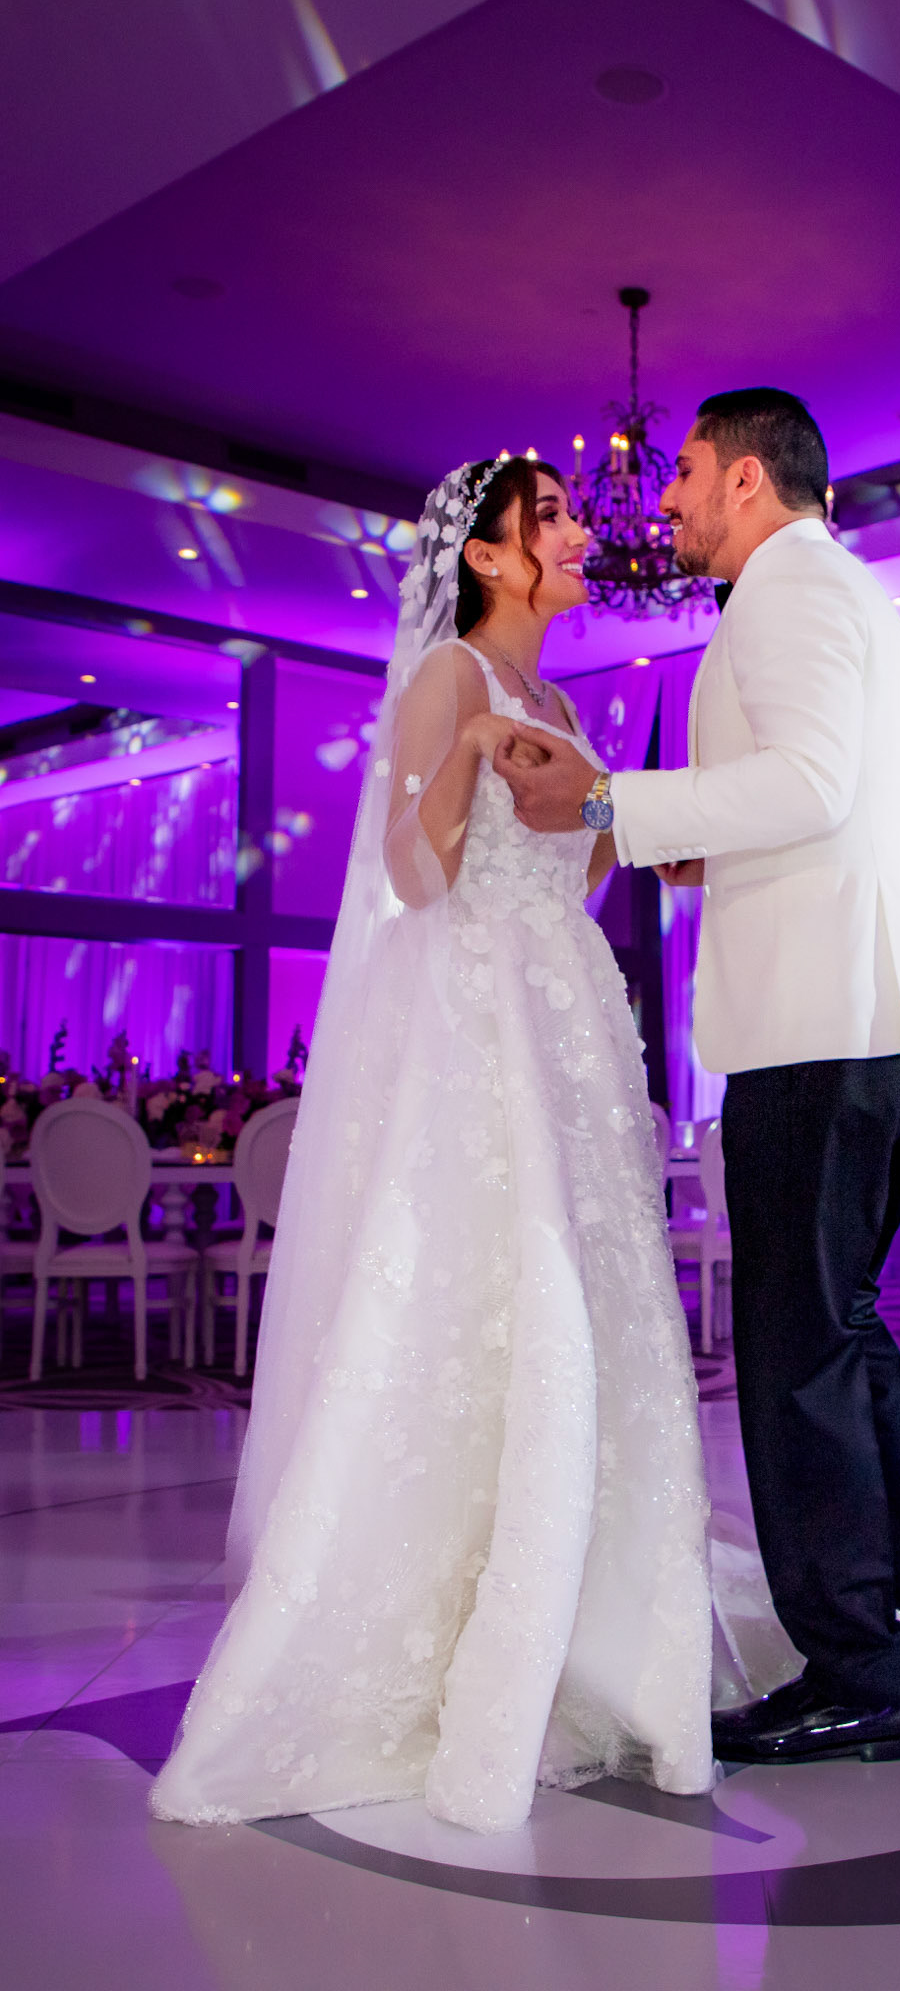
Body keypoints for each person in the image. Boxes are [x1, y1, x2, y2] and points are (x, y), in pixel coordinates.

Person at [149, 456, 713, 1834]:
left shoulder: (562, 704)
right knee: (498, 1291)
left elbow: (580, 864)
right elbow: (411, 872)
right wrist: (462, 758)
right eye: (551, 519)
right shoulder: (450, 678)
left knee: (594, 1289)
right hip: (485, 1022)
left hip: (571, 1012)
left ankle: (594, 1595)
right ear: (490, 558)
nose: (580, 535)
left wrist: (618, 818)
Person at [495, 390, 900, 1767]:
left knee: (794, 1357)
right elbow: (820, 804)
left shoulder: (788, 591)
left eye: (680, 470)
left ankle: (857, 1672)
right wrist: (697, 847)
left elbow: (806, 784)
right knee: (839, 1334)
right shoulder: (837, 592)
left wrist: (607, 799)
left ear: (743, 478)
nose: (663, 498)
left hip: (822, 1025)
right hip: (879, 1011)